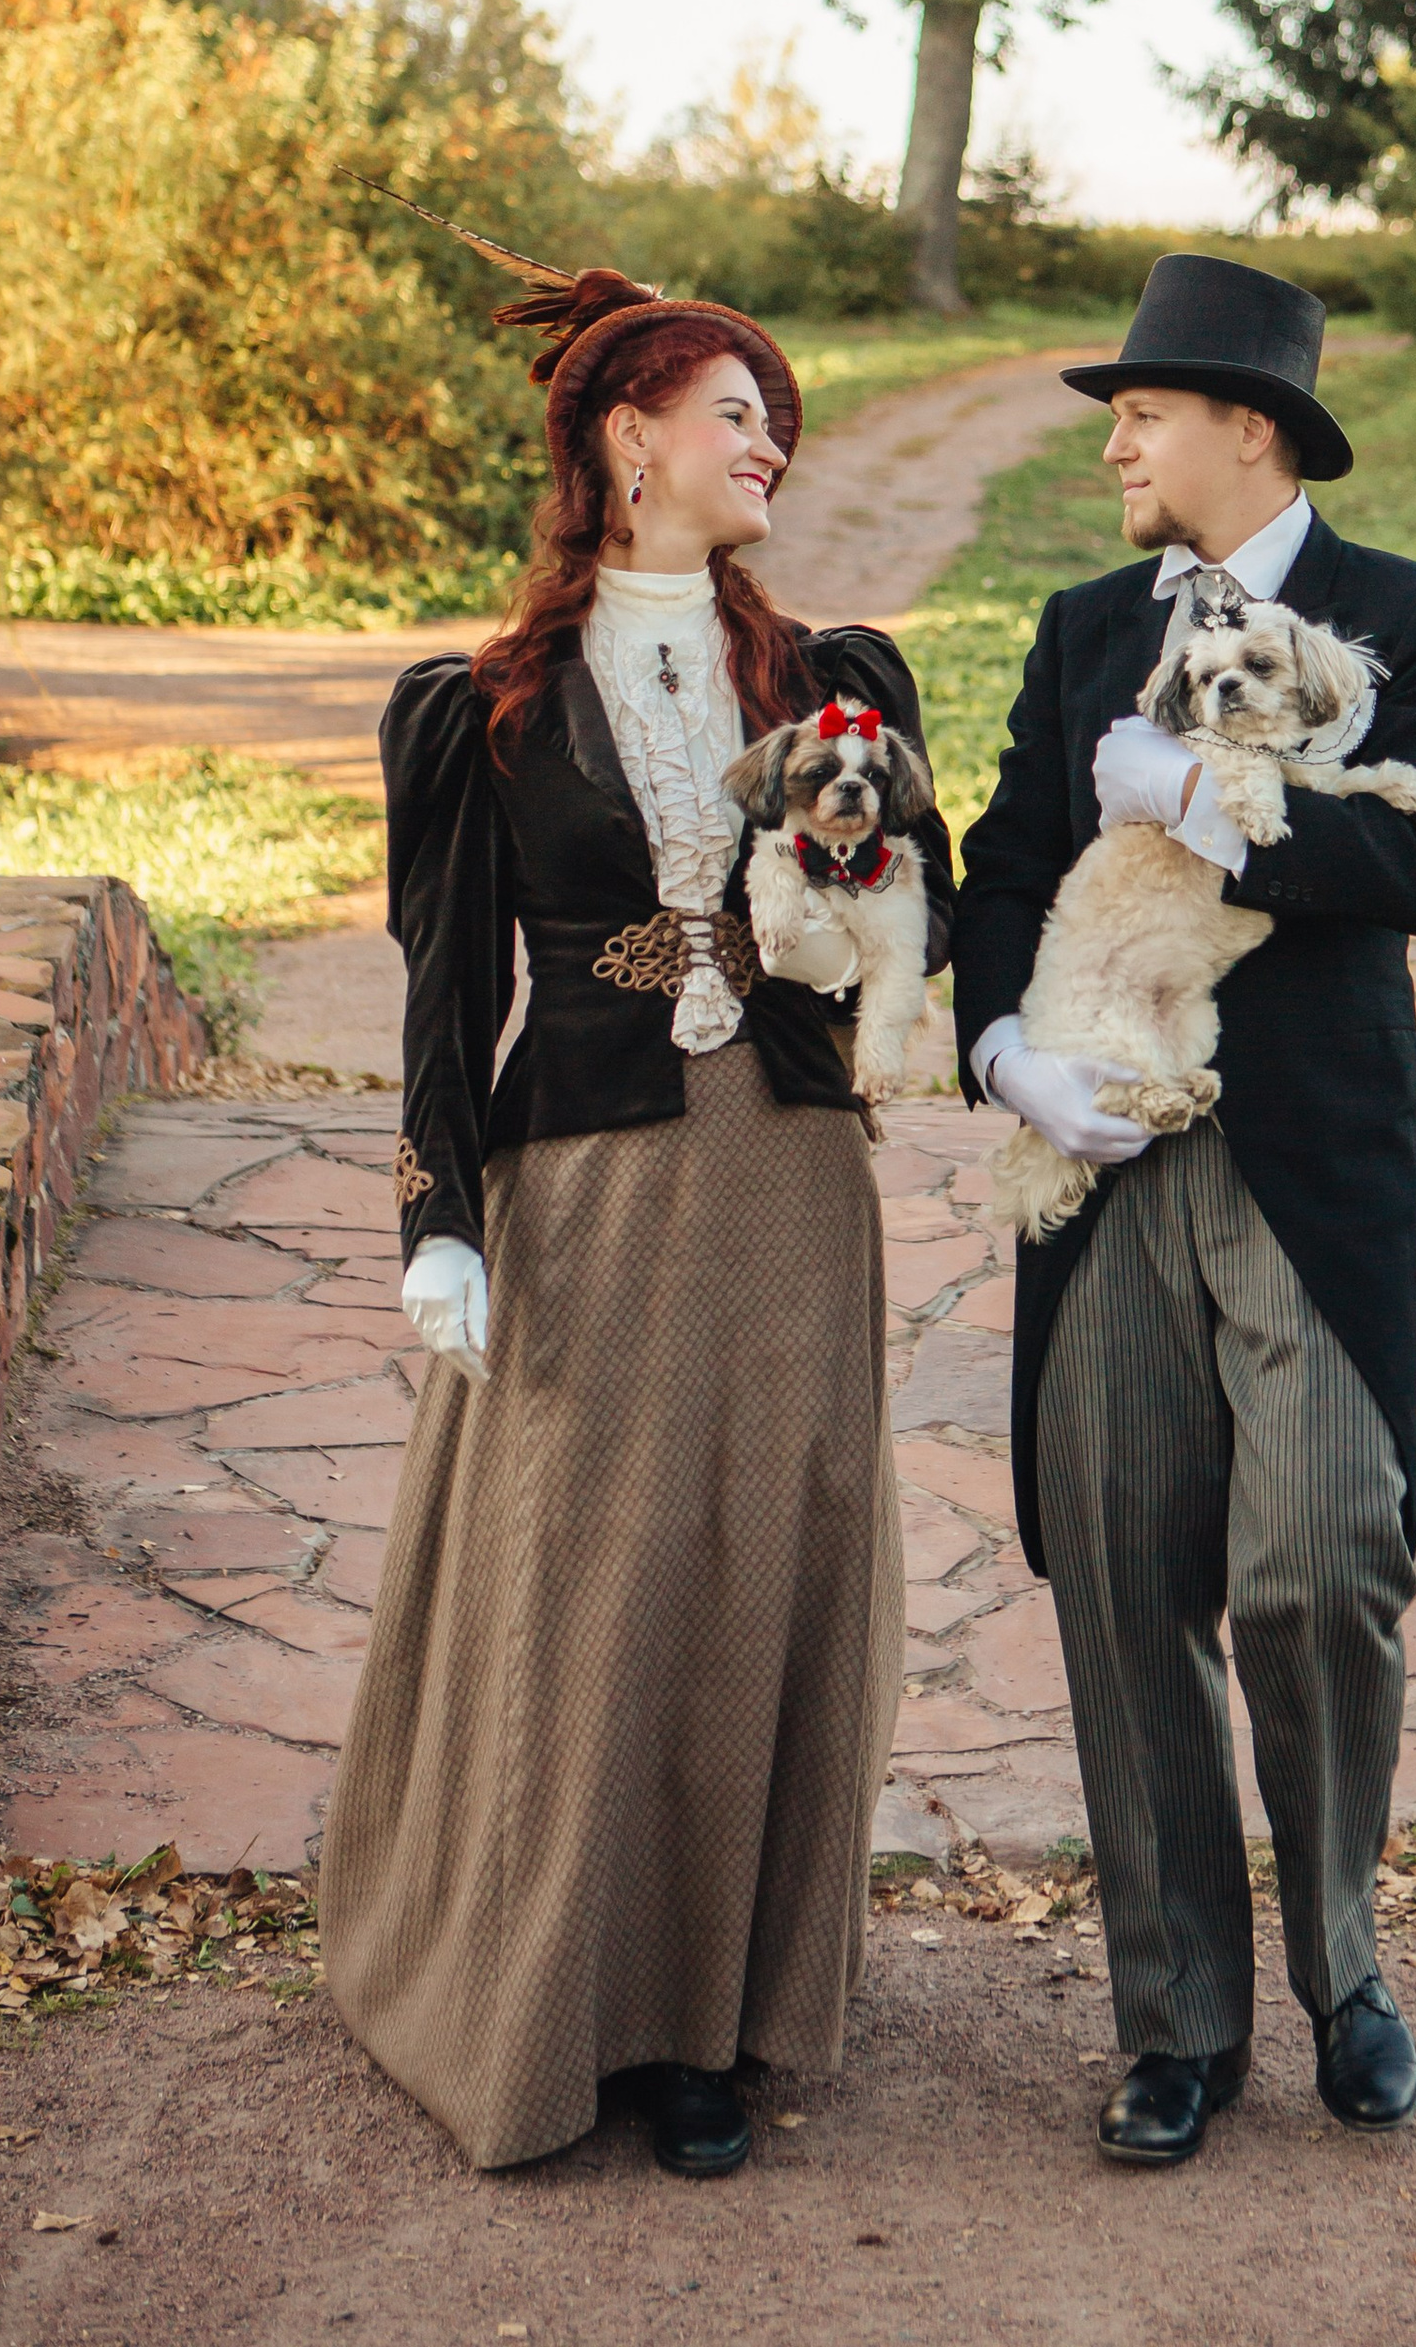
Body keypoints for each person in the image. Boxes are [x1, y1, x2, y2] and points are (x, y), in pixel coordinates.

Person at [320, 255, 951, 2179]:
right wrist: (437, 1213)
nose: (769, 440)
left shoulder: (830, 679)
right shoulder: (479, 708)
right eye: (734, 408)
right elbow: (443, 989)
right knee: (580, 1590)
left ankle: (709, 2028)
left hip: (781, 1174)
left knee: (757, 1575)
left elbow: (924, 896)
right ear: (629, 439)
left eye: (778, 415)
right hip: (581, 1177)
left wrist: (869, 941)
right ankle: (545, 1995)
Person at [952, 254, 1416, 2166]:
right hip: (1108, 1165)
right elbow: (1005, 862)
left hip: (1309, 1173)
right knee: (1116, 1575)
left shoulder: (1411, 618)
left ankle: (1346, 1971)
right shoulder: (1085, 622)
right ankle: (1176, 2017)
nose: (1117, 440)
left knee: (1325, 1554)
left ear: (1246, 427)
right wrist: (1008, 1051)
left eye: (1145, 412)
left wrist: (1194, 787)